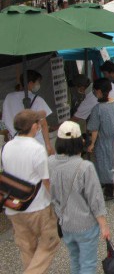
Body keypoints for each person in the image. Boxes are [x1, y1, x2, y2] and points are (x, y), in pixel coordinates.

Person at [49, 121, 111, 274]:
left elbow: (50, 192)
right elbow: (95, 198)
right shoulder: (85, 166)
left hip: (65, 222)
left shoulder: (50, 163)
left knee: (75, 259)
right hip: (85, 223)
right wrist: (103, 224)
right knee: (88, 263)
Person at [2, 110, 60, 272]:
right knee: (50, 242)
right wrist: (56, 200)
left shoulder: (7, 146)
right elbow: (46, 180)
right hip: (37, 205)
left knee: (27, 247)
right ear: (34, 126)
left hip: (13, 205)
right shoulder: (36, 148)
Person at [2, 70, 54, 155]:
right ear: (30, 83)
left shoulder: (9, 98)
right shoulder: (38, 100)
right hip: (36, 144)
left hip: (15, 143)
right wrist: (48, 146)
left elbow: (5, 121)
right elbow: (44, 124)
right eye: (37, 82)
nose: (38, 85)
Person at [87, 78, 114, 199]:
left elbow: (94, 129)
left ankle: (109, 189)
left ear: (98, 91)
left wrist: (92, 144)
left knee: (104, 165)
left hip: (103, 141)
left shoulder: (97, 109)